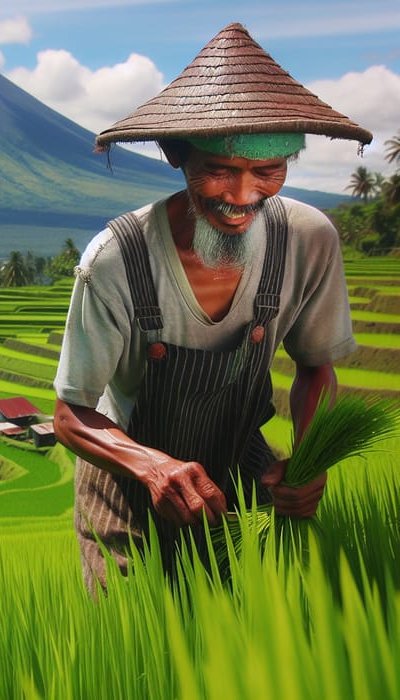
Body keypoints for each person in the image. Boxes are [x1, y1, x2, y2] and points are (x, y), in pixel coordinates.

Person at [52, 22, 373, 594]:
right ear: (176, 154)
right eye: (221, 170)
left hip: (238, 462)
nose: (243, 195)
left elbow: (316, 366)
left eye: (268, 172)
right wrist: (151, 466)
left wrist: (308, 459)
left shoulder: (308, 239)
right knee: (130, 650)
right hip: (124, 480)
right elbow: (70, 414)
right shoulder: (116, 259)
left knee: (259, 622)